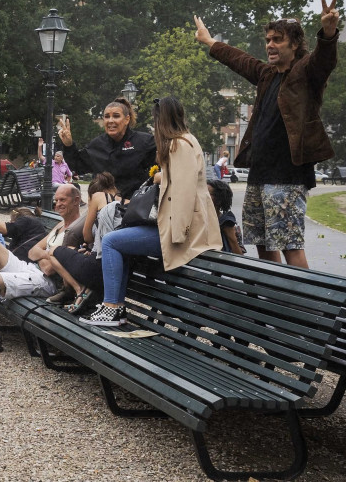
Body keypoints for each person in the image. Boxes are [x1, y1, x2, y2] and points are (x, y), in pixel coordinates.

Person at [194, 0, 341, 268]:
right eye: (268, 40)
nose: (270, 45)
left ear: (295, 44)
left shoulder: (306, 72)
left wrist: (329, 32)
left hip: (287, 176)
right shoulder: (267, 74)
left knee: (288, 245)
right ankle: (274, 301)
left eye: (277, 40)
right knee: (261, 242)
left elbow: (325, 59)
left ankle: (302, 306)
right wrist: (210, 42)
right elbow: (241, 60)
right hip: (259, 174)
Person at [81, 97, 221, 327]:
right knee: (117, 239)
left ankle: (112, 308)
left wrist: (177, 235)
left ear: (162, 120)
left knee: (111, 241)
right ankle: (114, 307)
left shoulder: (180, 145)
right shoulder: (186, 141)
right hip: (173, 227)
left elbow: (184, 192)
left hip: (180, 232)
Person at [0, 184, 82, 354]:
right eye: (56, 200)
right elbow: (33, 252)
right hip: (31, 268)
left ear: (76, 200)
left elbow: (49, 270)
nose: (57, 204)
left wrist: (44, 255)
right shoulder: (59, 226)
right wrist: (52, 253)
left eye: (63, 200)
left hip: (47, 282)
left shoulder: (78, 229)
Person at [44, 173, 121, 312]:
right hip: (116, 270)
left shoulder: (98, 197)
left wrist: (92, 245)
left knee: (53, 251)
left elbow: (86, 235)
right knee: (74, 250)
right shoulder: (125, 201)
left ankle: (79, 290)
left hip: (96, 268)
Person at [58, 97, 156, 199]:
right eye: (107, 116)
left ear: (127, 119)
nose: (110, 121)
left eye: (116, 116)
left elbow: (163, 163)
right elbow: (77, 165)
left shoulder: (144, 141)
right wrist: (69, 145)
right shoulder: (97, 144)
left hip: (135, 207)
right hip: (104, 208)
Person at [206, 179, 245, 255]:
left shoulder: (227, 223)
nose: (201, 196)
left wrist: (231, 236)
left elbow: (239, 256)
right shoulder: (195, 220)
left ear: (219, 200)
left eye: (207, 194)